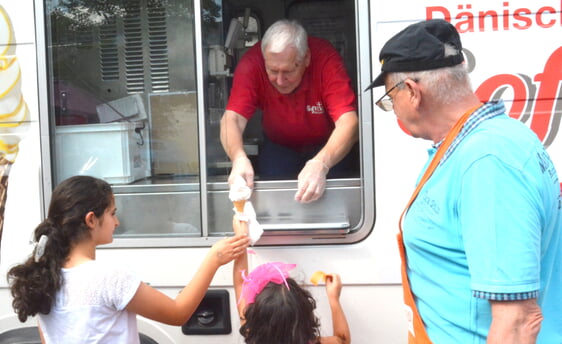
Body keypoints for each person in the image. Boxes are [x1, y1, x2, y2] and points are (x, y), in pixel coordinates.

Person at [366, 19, 562, 343]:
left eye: (390, 98)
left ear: (413, 93)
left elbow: (517, 321)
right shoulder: (483, 144)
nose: (393, 110)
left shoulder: (488, 162)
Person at [7, 175, 250, 343]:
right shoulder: (108, 277)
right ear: (91, 220)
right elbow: (178, 314)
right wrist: (214, 259)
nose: (117, 222)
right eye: (112, 214)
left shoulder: (44, 278)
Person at [220, 19, 358, 203]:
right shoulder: (251, 64)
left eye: (288, 71)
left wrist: (321, 163)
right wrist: (237, 157)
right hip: (279, 146)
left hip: (328, 145)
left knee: (337, 202)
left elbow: (349, 122)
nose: (279, 80)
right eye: (272, 70)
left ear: (306, 58)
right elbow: (232, 118)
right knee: (276, 203)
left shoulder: (326, 59)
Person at [231, 215, 351, 344]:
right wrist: (334, 299)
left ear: (254, 317)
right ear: (306, 318)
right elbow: (343, 340)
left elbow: (241, 284)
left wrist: (241, 236)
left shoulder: (251, 333)